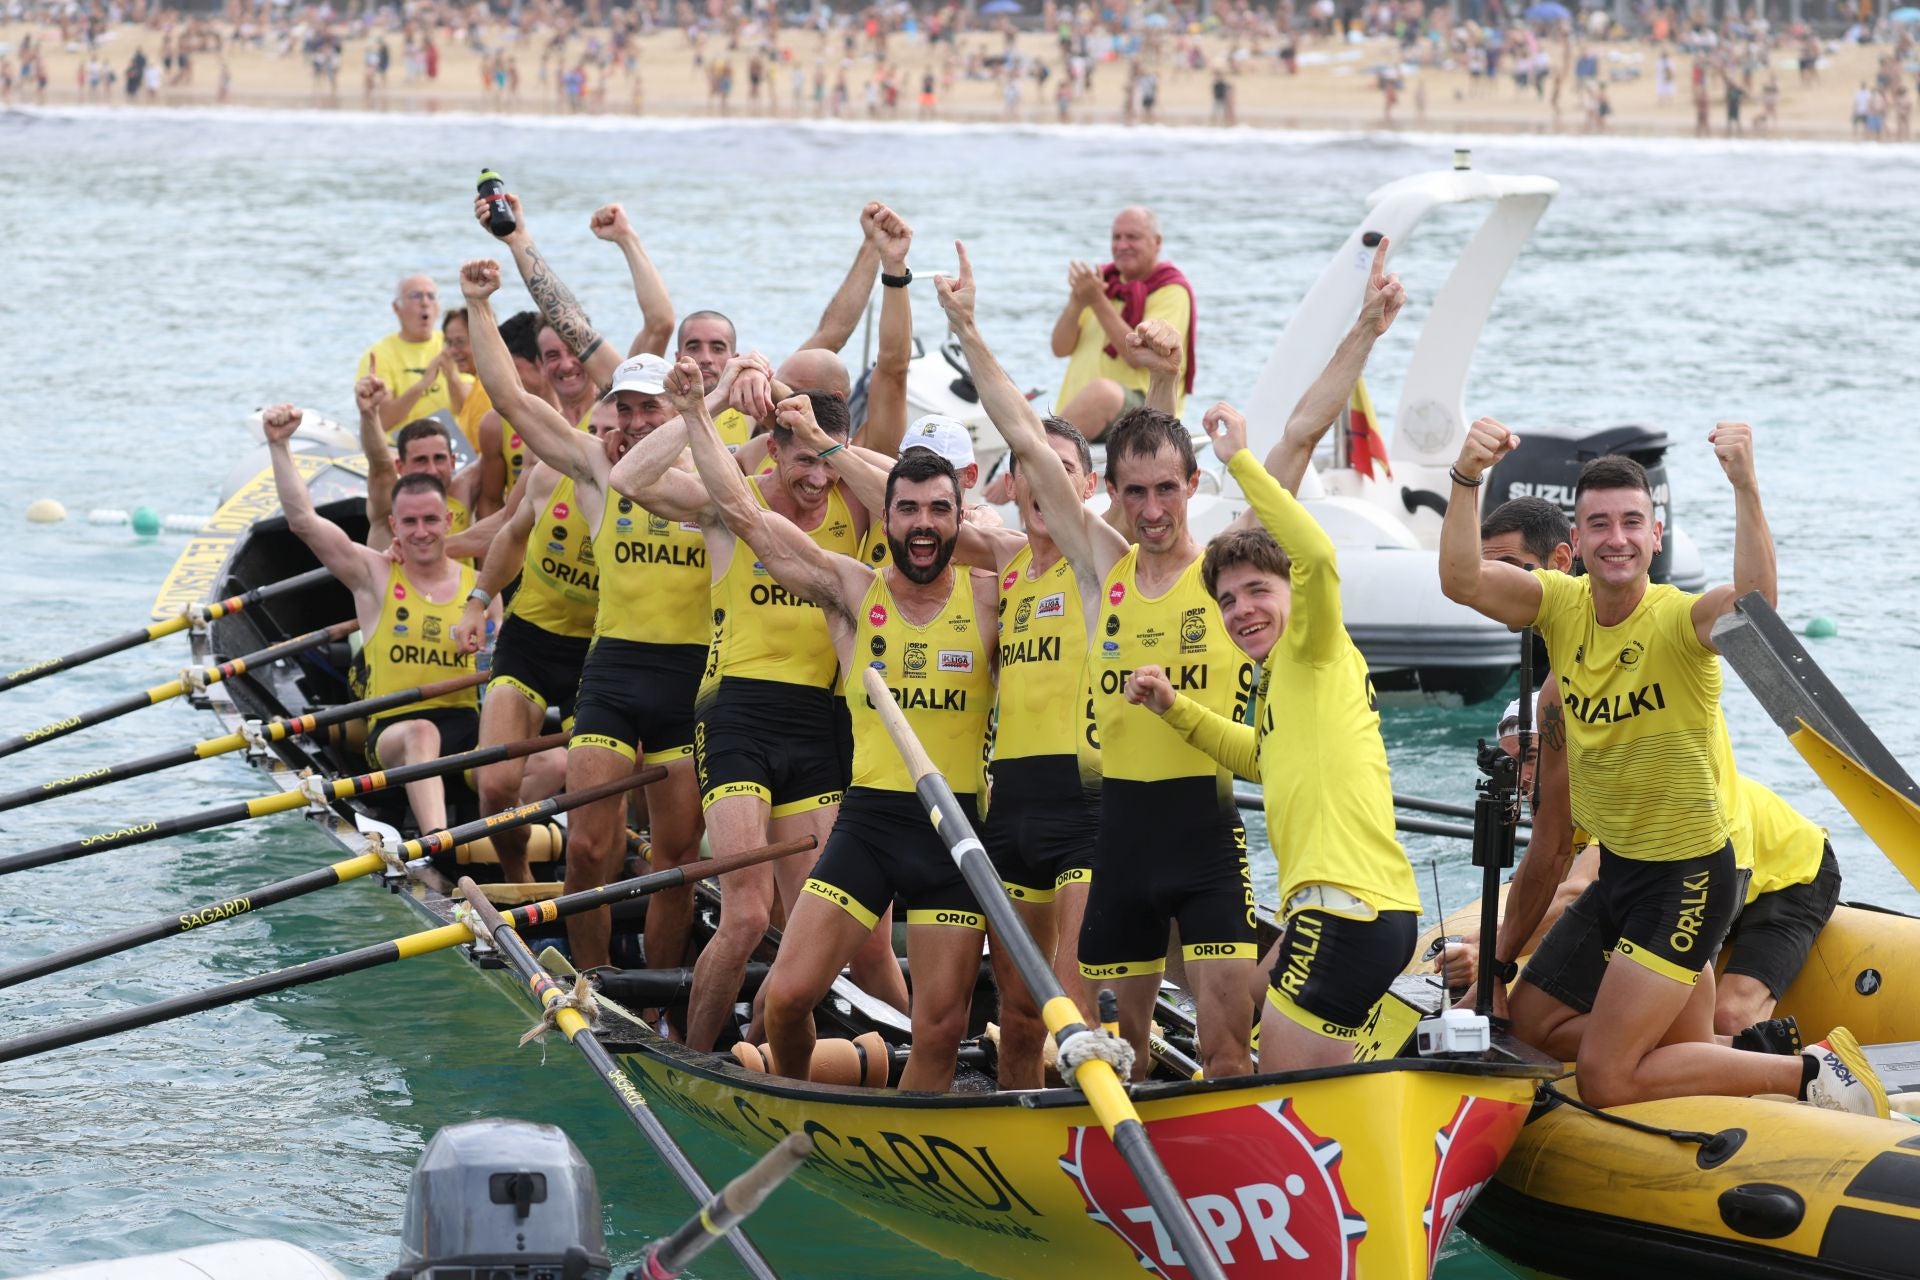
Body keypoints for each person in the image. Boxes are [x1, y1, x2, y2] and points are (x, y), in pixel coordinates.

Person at [1438, 421, 1886, 1116]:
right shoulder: (1559, 607)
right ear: (1577, 544)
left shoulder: (1680, 622)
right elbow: (1462, 579)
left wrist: (1745, 485)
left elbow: (1757, 607)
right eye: (1598, 524)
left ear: (1655, 535)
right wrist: (1466, 478)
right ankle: (1709, 1061)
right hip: (1622, 874)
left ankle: (1809, 1073)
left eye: (1631, 522)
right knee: (1530, 1022)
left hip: (1689, 880)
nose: (1615, 537)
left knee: (1607, 1078)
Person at [942, 242, 1254, 1080]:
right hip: (1120, 832)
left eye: (1167, 491)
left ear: (1193, 486)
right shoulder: (1102, 565)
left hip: (1207, 826)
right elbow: (1025, 437)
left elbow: (1292, 442)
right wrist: (966, 326)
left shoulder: (1228, 567)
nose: (1152, 510)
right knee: (1119, 1052)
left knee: (1228, 1051)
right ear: (1107, 495)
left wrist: (1368, 328)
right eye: (1135, 493)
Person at [609, 207, 917, 1053]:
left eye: (824, 458)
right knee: (744, 913)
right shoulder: (730, 503)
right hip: (736, 714)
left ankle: (828, 1059)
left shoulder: (858, 497)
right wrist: (704, 399)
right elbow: (632, 476)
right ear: (771, 446)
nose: (812, 481)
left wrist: (831, 442)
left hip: (821, 727)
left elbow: (888, 382)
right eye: (797, 459)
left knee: (837, 927)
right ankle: (695, 1054)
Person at [1122, 242, 1419, 1070]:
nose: (1242, 611)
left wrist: (1239, 461)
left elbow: (1317, 555)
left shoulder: (1317, 642)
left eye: (1258, 593)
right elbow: (1260, 755)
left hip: (1345, 910)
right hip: (1345, 910)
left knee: (1277, 1095)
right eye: (1229, 602)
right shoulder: (1278, 677)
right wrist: (1174, 708)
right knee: (1245, 1006)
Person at [674, 361, 994, 1092]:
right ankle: (793, 1106)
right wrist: (698, 413)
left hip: (954, 829)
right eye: (906, 512)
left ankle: (913, 1139)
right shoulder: (853, 590)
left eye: (938, 512)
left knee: (941, 1030)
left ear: (958, 518)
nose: (921, 527)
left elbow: (1070, 546)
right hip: (871, 828)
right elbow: (751, 519)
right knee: (784, 1001)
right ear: (885, 521)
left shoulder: (988, 597)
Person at [461, 258, 705, 974]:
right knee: (592, 848)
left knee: (676, 859)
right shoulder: (595, 468)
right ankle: (595, 985)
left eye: (646, 410)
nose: (630, 424)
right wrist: (478, 304)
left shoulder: (714, 479)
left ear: (675, 411)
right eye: (623, 409)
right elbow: (508, 398)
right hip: (612, 674)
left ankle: (660, 1001)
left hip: (687, 683)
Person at [261, 404, 478, 834]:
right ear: (393, 526)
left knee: (550, 760)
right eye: (410, 522)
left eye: (431, 520)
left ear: (449, 521)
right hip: (394, 732)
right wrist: (279, 445)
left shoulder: (481, 588)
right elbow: (304, 522)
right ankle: (437, 843)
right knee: (421, 733)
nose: (421, 532)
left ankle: (516, 860)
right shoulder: (373, 575)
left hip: (466, 733)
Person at [1050, 207, 1196, 439]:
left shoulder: (1171, 289)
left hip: (1145, 409)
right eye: (1116, 237)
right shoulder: (1104, 284)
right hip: (1079, 415)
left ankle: (1033, 460)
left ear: (1157, 242)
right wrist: (1077, 301)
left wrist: (1096, 300)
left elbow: (1139, 356)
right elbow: (1060, 348)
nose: (1122, 245)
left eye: (1132, 237)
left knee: (1102, 392)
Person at [355, 380, 482, 556]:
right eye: (421, 460)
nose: (432, 470)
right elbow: (379, 462)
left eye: (439, 459)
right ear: (400, 466)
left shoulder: (465, 488)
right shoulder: (390, 501)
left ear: (453, 461)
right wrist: (369, 413)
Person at [357, 274, 459, 429]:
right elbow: (383, 422)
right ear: (396, 308)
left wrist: (452, 377)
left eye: (431, 296)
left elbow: (467, 407)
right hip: (400, 446)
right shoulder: (379, 355)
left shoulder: (453, 345)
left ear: (438, 307)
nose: (425, 303)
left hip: (453, 444)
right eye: (415, 296)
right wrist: (422, 385)